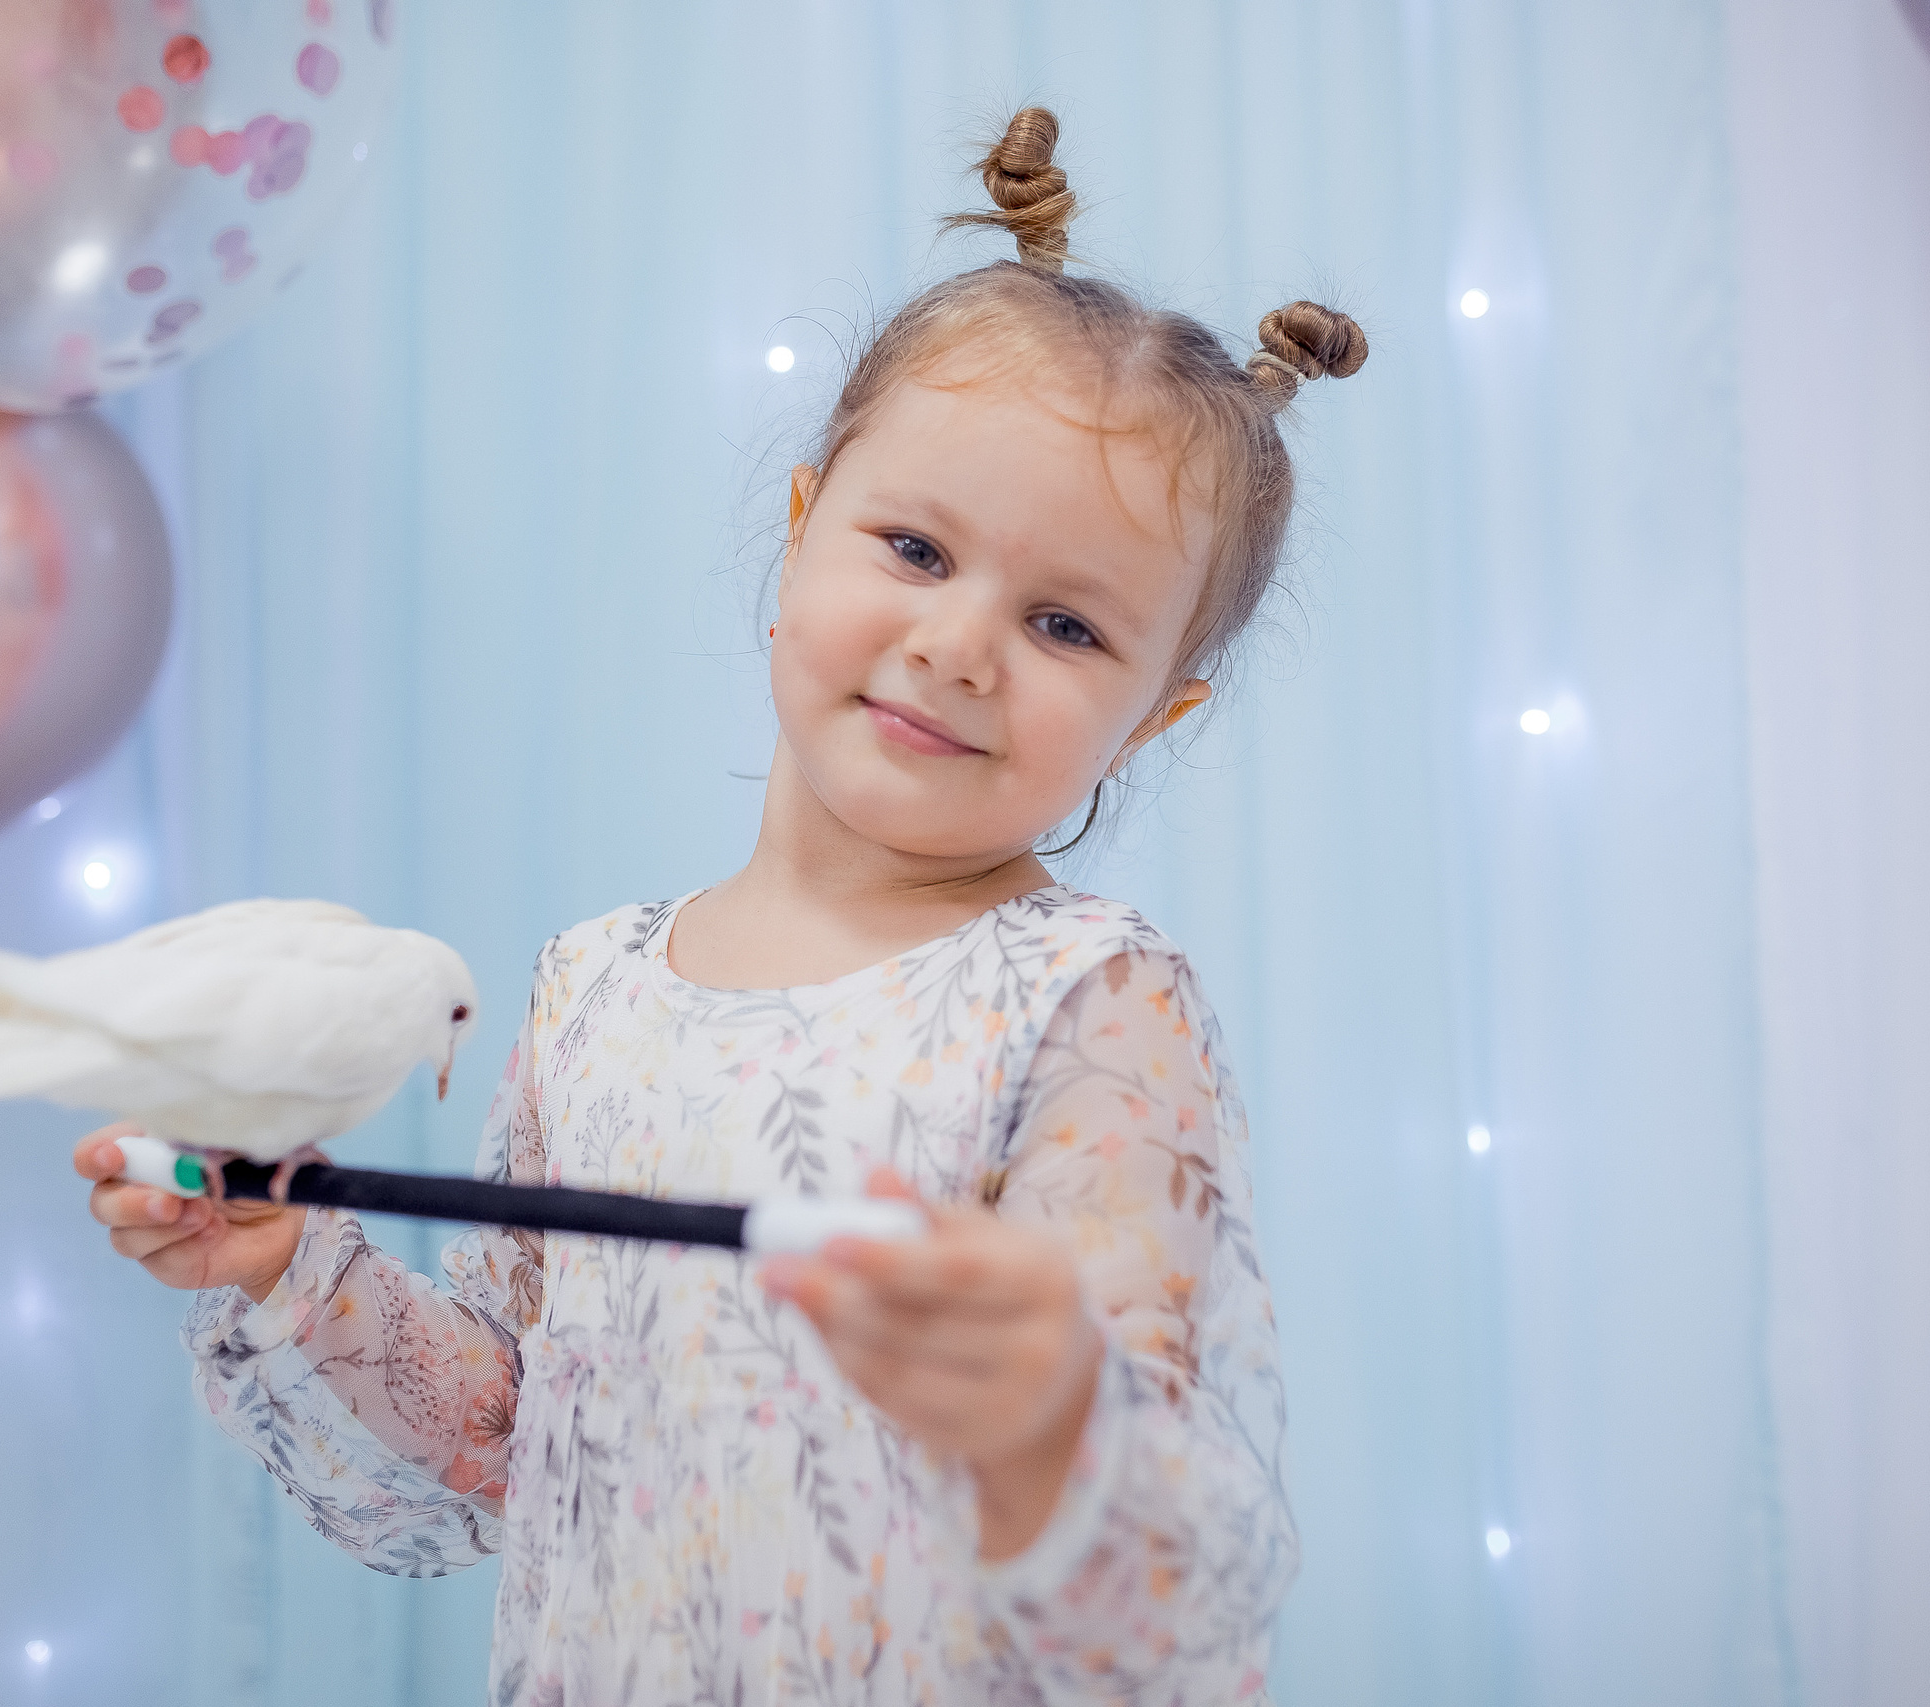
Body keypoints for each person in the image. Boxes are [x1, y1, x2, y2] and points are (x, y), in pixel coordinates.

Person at [74, 104, 1364, 1705]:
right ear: (802, 524)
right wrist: (290, 1269)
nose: (961, 646)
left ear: (1159, 714)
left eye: (1067, 627)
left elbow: (1171, 1583)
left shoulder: (1092, 1000)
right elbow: (503, 1436)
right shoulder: (596, 985)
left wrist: (1048, 1422)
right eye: (911, 546)